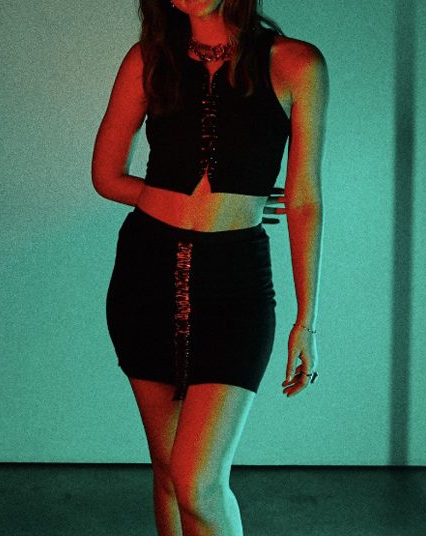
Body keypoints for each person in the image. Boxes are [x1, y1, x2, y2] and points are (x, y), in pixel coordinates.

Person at [91, 0, 327, 534]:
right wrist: (180, 204)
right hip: (145, 272)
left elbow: (305, 200)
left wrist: (305, 320)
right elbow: (106, 175)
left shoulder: (297, 64)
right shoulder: (148, 59)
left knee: (197, 480)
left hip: (235, 282)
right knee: (168, 472)